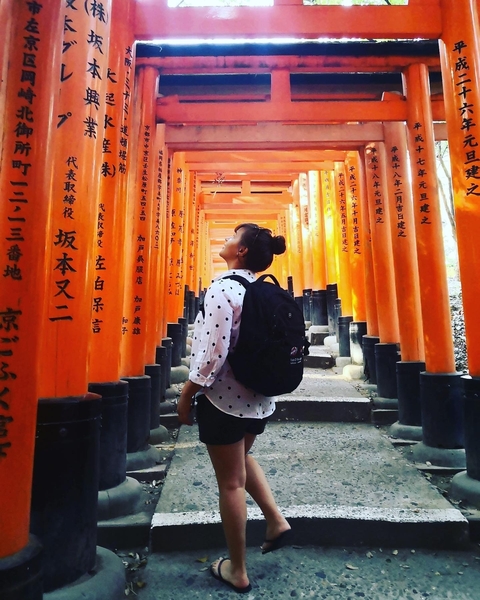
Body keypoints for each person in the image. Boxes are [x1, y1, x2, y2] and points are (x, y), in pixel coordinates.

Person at [177, 222, 292, 594]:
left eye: (232, 237)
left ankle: (237, 570)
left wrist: (187, 392)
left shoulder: (223, 289)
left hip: (224, 401)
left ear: (241, 251)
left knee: (230, 483)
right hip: (259, 399)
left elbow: (212, 354)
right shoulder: (262, 290)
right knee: (241, 461)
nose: (225, 241)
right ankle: (275, 521)